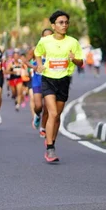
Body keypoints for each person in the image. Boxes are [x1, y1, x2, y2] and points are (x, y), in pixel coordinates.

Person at [35, 10, 83, 163]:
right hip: (48, 79)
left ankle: (52, 141)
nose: (64, 25)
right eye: (61, 22)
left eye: (66, 22)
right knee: (53, 113)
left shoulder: (73, 42)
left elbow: (80, 62)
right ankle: (50, 148)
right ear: (53, 25)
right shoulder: (45, 41)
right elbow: (37, 53)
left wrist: (73, 59)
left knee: (57, 117)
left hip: (64, 80)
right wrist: (39, 65)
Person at [30, 28, 52, 136]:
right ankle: (37, 115)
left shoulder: (55, 51)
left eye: (50, 36)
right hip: (37, 81)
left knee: (48, 107)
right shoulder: (36, 50)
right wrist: (34, 67)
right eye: (45, 36)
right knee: (39, 106)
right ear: (41, 38)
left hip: (50, 82)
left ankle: (43, 128)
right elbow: (24, 60)